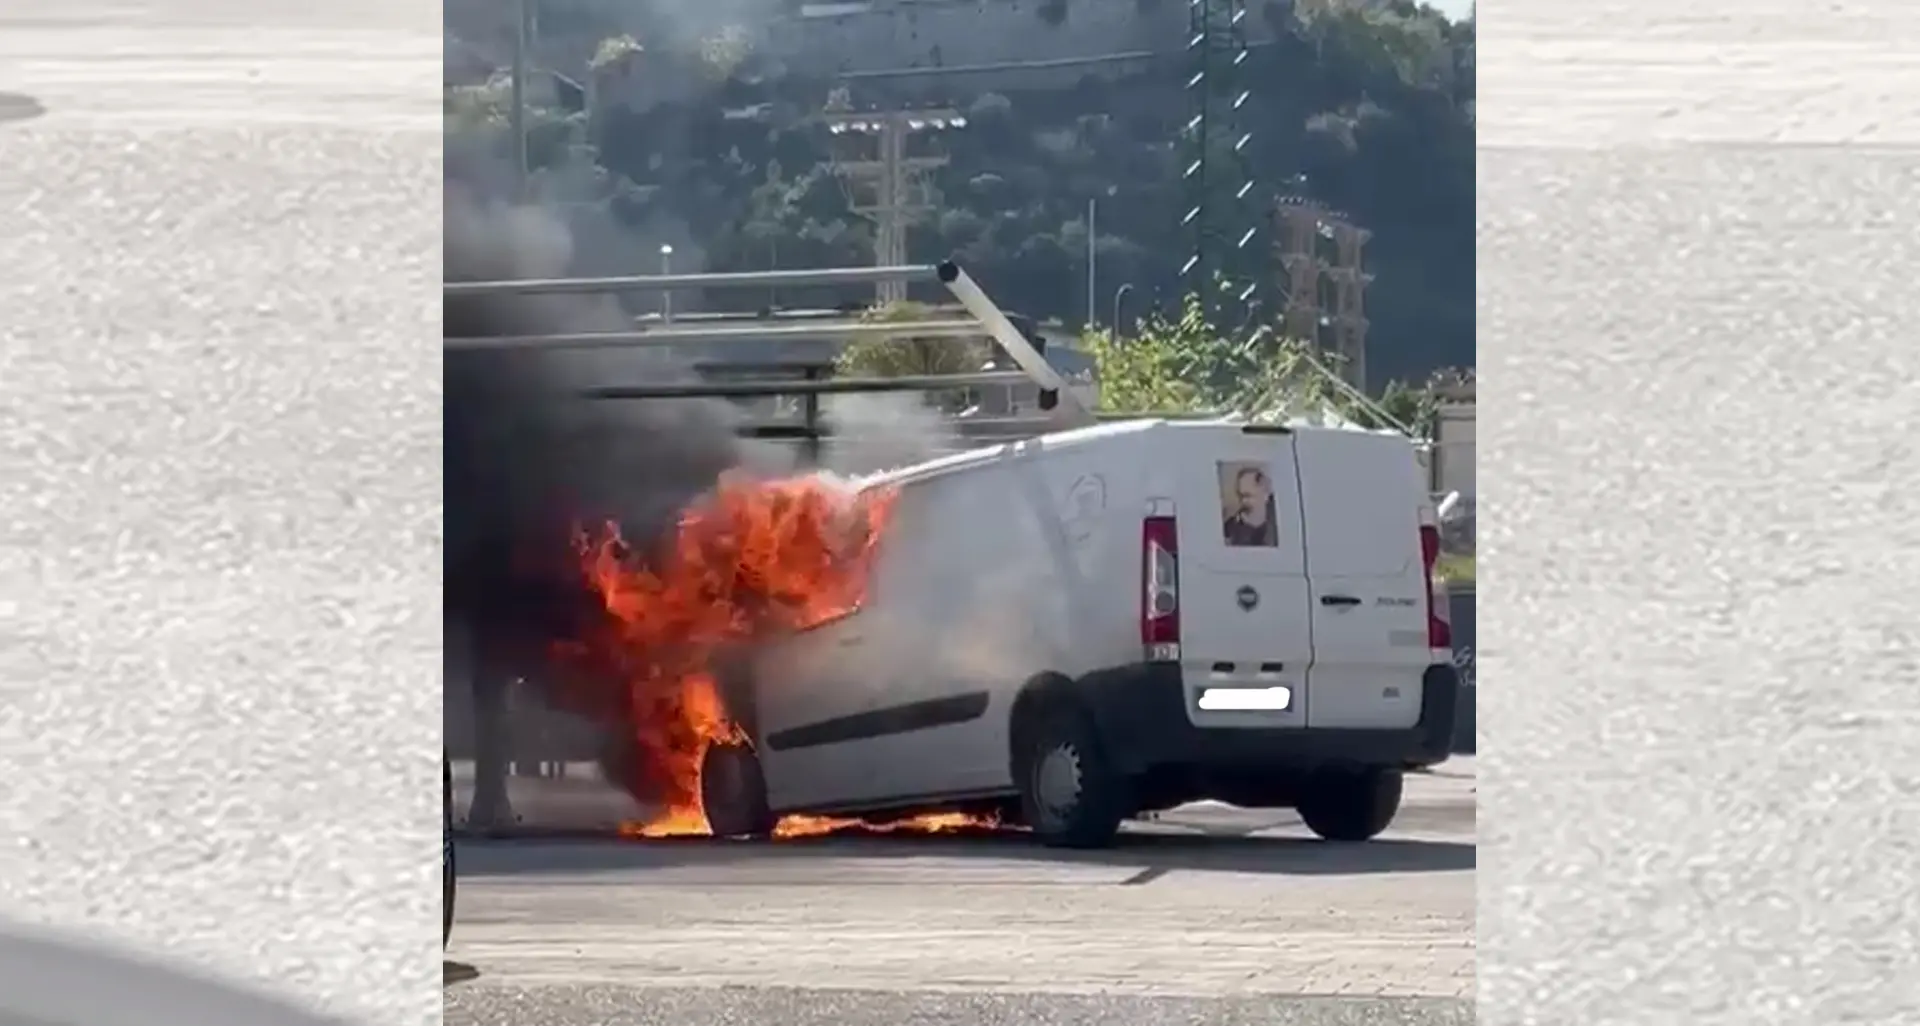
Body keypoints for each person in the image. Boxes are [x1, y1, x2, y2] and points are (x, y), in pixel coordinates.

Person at [1222, 465, 1278, 547]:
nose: (1243, 501)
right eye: (1240, 496)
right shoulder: (1230, 528)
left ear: (1265, 493)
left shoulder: (1279, 521)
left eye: (1248, 495)